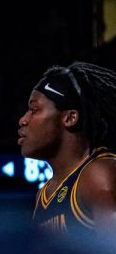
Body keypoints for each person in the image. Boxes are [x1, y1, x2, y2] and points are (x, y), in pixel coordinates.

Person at [19, 61, 116, 232]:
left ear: (70, 118)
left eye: (34, 110)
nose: (23, 120)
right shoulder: (43, 196)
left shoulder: (99, 175)